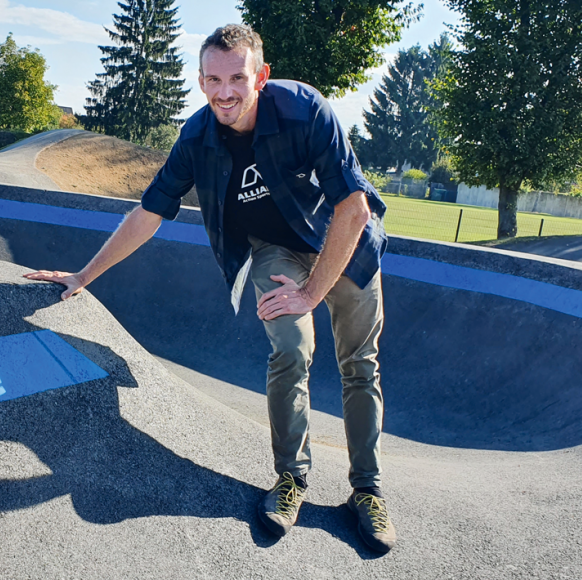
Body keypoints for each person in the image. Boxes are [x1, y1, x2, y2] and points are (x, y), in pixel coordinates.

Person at [24, 23, 396, 553]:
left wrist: (313, 292)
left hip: (346, 244)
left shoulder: (303, 110)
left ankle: (367, 491)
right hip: (275, 251)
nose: (226, 92)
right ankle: (292, 478)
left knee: (359, 365)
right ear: (200, 82)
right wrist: (83, 276)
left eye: (237, 78)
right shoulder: (196, 138)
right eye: (214, 80)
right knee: (291, 350)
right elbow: (149, 212)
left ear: (260, 77)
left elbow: (353, 208)